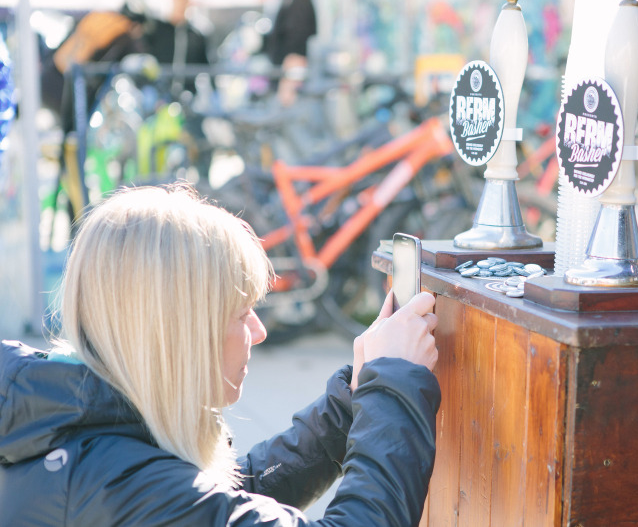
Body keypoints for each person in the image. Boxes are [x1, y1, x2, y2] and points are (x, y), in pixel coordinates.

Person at [0, 183, 440, 526]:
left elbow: (227, 498)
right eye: (242, 313)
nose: (259, 332)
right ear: (179, 331)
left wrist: (349, 406)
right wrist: (393, 386)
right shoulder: (128, 490)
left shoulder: (79, 429)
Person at [262, 0, 317, 106]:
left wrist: (292, 58)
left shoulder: (300, 1)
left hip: (292, 59)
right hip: (289, 58)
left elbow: (298, 33)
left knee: (289, 102)